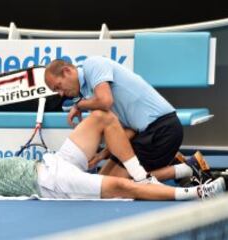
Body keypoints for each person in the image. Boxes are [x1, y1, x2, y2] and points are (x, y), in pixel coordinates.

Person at [0, 110, 225, 200]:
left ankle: (172, 173)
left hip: (53, 162)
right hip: (51, 181)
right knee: (120, 187)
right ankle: (196, 192)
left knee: (101, 118)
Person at [44, 56, 184, 183]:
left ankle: (187, 168)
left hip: (163, 129)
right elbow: (122, 134)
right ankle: (175, 161)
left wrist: (78, 105)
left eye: (58, 86)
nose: (61, 94)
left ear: (67, 71)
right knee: (102, 180)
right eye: (56, 91)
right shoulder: (90, 94)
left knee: (117, 185)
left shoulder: (93, 64)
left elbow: (106, 101)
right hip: (141, 133)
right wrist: (100, 156)